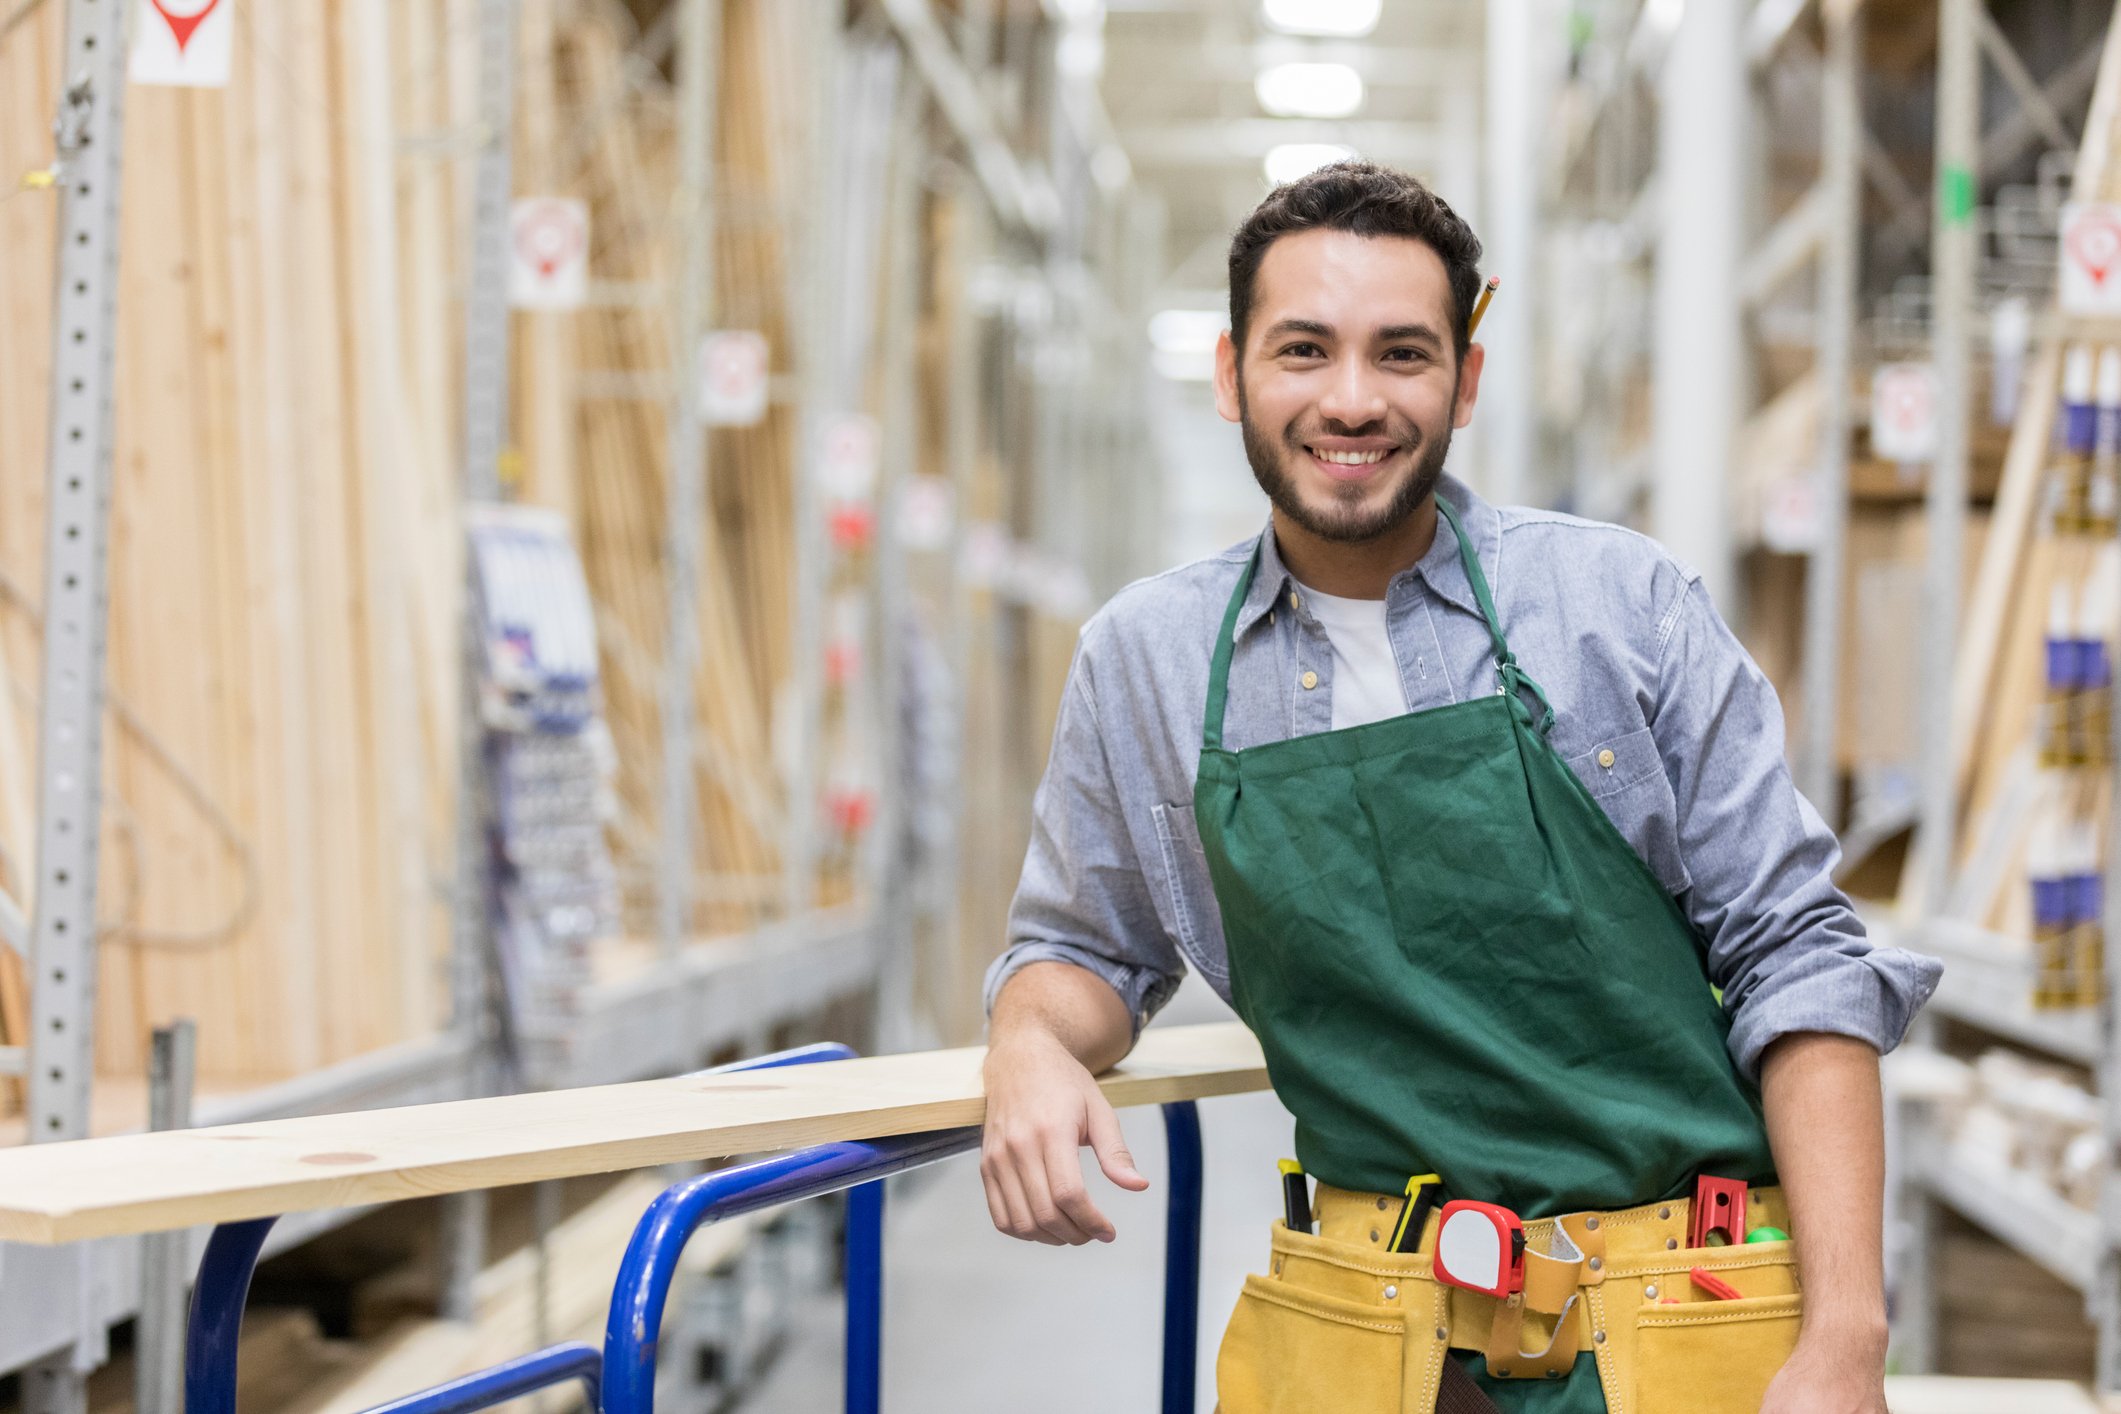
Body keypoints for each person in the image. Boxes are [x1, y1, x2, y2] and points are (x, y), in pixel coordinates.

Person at [976, 161, 1939, 1413]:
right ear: (1232, 374)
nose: (1352, 399)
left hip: (1676, 1320)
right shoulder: (1145, 660)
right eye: (1304, 350)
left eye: (1404, 354)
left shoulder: (1617, 608)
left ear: (1465, 381)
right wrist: (1028, 1036)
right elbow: (1082, 949)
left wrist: (1847, 1338)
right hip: (1365, 1329)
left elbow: (1797, 957)